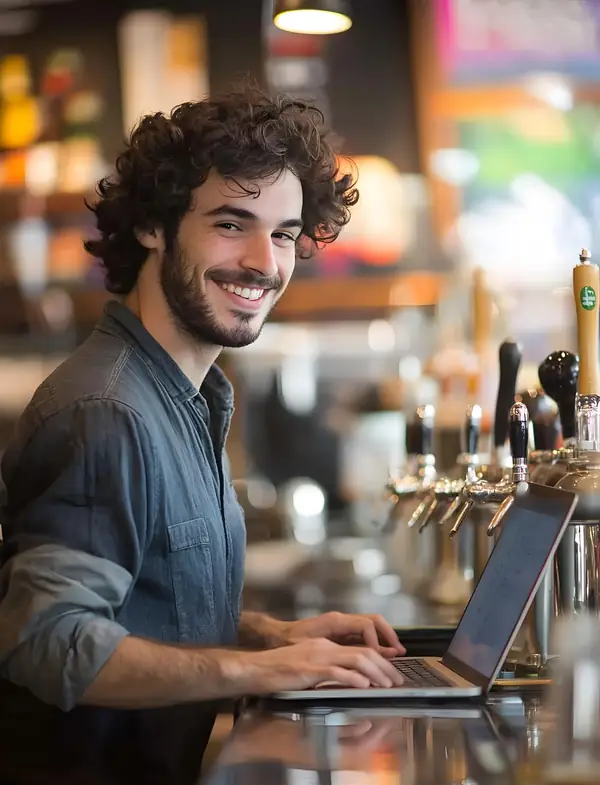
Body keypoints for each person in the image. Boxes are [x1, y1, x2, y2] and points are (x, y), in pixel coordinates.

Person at [0, 84, 405, 720]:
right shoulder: (107, 412)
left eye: (283, 235)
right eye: (229, 225)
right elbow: (49, 640)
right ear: (151, 226)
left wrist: (269, 636)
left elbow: (146, 607)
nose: (262, 263)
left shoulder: (186, 395)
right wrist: (256, 669)